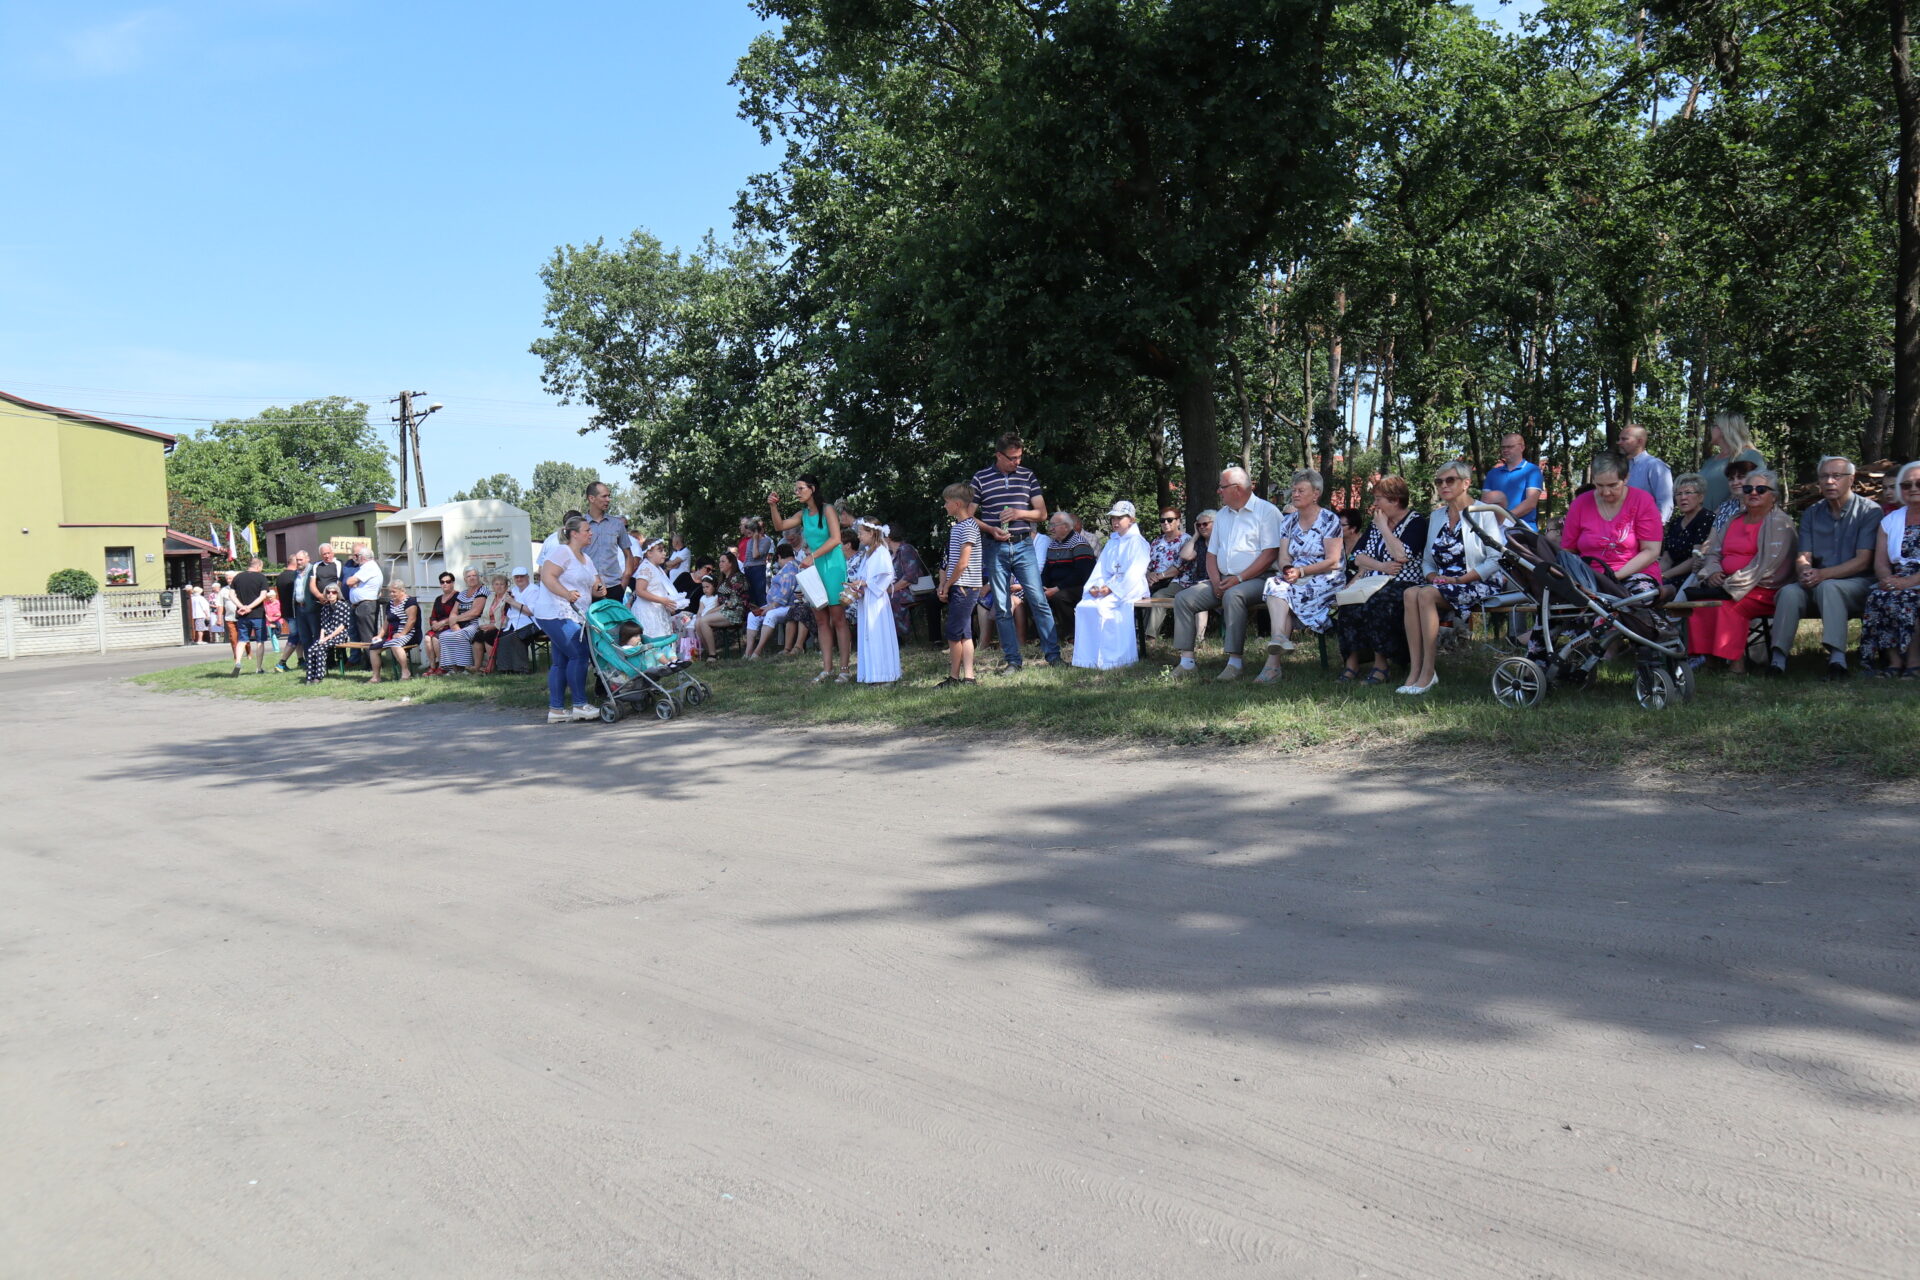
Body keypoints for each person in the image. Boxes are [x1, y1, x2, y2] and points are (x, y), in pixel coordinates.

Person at [1768, 455, 1882, 679]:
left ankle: (1837, 662)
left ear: (1851, 479)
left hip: (1858, 584)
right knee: (1789, 592)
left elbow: (1863, 560)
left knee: (1829, 587)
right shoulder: (1812, 513)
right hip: (1818, 582)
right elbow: (1803, 556)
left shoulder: (1870, 511)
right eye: (1824, 476)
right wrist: (1804, 571)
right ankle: (1777, 662)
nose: (1829, 481)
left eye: (1836, 476)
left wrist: (1822, 575)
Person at [1400, 460, 1505, 695]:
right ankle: (1415, 670)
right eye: (1439, 481)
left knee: (1425, 595)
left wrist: (1460, 580)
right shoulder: (1437, 516)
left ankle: (1428, 672)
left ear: (1466, 483)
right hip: (1444, 582)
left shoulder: (1483, 512)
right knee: (1409, 593)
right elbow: (1428, 560)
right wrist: (1433, 576)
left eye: (1450, 480)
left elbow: (1495, 558)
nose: (1443, 485)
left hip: (1477, 580)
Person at [1173, 467, 1283, 680]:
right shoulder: (1222, 515)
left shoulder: (1267, 512)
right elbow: (1211, 553)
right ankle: (1186, 662)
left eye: (1222, 487)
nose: (1219, 491)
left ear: (1237, 489)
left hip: (1260, 578)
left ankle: (1235, 663)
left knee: (1234, 595)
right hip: (1223, 579)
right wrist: (1216, 582)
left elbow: (1270, 554)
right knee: (1183, 599)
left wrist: (1239, 579)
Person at [1686, 468, 1796, 673]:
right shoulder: (1734, 519)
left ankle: (1736, 663)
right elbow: (1714, 552)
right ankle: (1710, 661)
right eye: (1748, 489)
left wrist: (1731, 583)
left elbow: (1767, 566)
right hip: (1728, 584)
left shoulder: (1780, 523)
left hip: (1763, 588)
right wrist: (1713, 572)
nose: (1753, 493)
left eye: (1761, 489)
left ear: (1773, 496)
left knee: (1728, 605)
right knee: (1702, 603)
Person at [970, 431, 1060, 672]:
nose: (1017, 462)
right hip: (994, 546)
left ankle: (1054, 656)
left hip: (1023, 545)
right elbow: (968, 515)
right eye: (1012, 458)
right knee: (1001, 605)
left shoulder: (1027, 475)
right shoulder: (980, 478)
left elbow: (1042, 513)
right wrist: (990, 529)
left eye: (1020, 457)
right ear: (998, 455)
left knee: (1038, 600)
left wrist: (1020, 513)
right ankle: (1013, 661)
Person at [1334, 475, 1427, 686]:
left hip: (1404, 583)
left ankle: (1381, 665)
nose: (1375, 504)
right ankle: (1352, 663)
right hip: (1373, 580)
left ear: (1395, 500)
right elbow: (1357, 557)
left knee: (1377, 601)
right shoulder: (1376, 523)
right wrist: (1381, 566)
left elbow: (1402, 555)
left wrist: (1384, 528)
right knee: (1348, 602)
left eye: (1378, 499)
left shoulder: (1416, 522)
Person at [1256, 469, 1346, 682]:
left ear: (1316, 494)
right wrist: (1288, 569)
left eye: (1300, 490)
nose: (1295, 494)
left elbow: (1333, 561)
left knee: (1285, 594)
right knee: (1274, 583)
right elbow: (1283, 557)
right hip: (1296, 576)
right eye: (1294, 490)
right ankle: (1280, 638)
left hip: (1326, 577)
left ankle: (1272, 666)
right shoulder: (1288, 522)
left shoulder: (1329, 520)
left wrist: (1302, 572)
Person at [769, 474, 851, 684]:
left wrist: (812, 556)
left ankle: (844, 669)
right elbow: (779, 526)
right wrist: (773, 506)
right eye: (796, 489)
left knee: (838, 618)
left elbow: (836, 539)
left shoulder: (828, 509)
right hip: (814, 569)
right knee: (821, 619)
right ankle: (827, 669)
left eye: (800, 488)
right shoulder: (803, 514)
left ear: (812, 489)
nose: (797, 492)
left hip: (832, 566)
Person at [1561, 451, 1665, 597]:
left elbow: (1651, 551)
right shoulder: (1579, 504)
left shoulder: (1643, 501)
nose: (1606, 492)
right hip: (1589, 579)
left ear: (1626, 478)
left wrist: (1614, 577)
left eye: (1613, 485)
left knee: (1637, 598)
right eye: (1599, 485)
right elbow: (1568, 551)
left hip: (1635, 574)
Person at [532, 514, 601, 723]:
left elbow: (595, 585)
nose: (591, 533)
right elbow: (547, 576)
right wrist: (567, 594)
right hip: (556, 612)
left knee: (561, 660)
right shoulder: (562, 552)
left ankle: (557, 710)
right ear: (574, 534)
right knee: (579, 654)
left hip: (576, 614)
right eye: (587, 530)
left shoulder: (587, 559)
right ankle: (580, 704)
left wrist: (600, 588)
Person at [1072, 501, 1150, 669]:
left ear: (1131, 519)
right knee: (1085, 606)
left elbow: (1135, 572)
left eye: (1120, 518)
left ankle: (1113, 659)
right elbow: (1101, 568)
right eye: (1113, 518)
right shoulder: (1112, 542)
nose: (1115, 521)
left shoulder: (1138, 542)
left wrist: (1113, 589)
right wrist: (1095, 586)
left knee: (1104, 607)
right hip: (1109, 585)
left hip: (1130, 587)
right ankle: (1088, 658)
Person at [1861, 460, 1920, 677]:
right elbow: (1881, 562)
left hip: (1915, 579)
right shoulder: (1890, 520)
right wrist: (1888, 580)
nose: (1913, 489)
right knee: (1879, 596)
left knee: (1908, 598)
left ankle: (1914, 662)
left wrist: (1909, 582)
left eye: (1919, 484)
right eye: (1906, 485)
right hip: (1899, 577)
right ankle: (1894, 662)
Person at [936, 482, 983, 687]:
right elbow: (950, 560)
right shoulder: (958, 527)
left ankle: (954, 677)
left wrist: (947, 585)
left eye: (946, 502)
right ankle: (969, 677)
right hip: (960, 585)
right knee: (964, 633)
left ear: (956, 504)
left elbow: (963, 563)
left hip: (965, 586)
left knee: (954, 633)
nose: (944, 506)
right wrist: (944, 583)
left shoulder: (969, 527)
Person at [851, 520, 900, 683]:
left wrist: (866, 584)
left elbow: (886, 576)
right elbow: (864, 576)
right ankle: (871, 673)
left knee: (878, 635)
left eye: (861, 533)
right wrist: (859, 587)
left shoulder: (881, 552)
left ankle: (883, 674)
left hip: (876, 601)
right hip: (867, 599)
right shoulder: (868, 553)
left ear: (871, 533)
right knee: (868, 636)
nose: (858, 537)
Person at [1658, 474, 1714, 602]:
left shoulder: (1706, 518)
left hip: (1692, 576)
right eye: (1678, 494)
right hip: (1670, 575)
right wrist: (1655, 575)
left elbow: (1695, 558)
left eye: (1688, 493)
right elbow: (1666, 559)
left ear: (1700, 497)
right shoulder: (1675, 523)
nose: (1683, 497)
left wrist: (1664, 575)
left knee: (1658, 593)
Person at [1038, 512, 1095, 634]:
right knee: (1033, 596)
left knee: (1060, 597)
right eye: (1050, 525)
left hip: (1078, 586)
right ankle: (1042, 635)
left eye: (1054, 525)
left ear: (1065, 526)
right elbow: (1046, 571)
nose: (1050, 529)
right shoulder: (1053, 544)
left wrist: (1056, 589)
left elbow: (1081, 574)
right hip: (1056, 587)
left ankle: (1072, 634)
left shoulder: (1079, 544)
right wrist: (1041, 587)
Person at [1698, 411, 1767, 512]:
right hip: (1704, 520)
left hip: (1732, 518)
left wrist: (1720, 513)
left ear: (1724, 429)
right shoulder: (1710, 461)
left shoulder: (1749, 455)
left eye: (1714, 426)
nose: (1711, 429)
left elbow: (1759, 490)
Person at [583, 481, 637, 602]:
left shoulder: (617, 524)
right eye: (604, 496)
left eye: (609, 496)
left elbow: (628, 554)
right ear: (591, 498)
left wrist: (625, 581)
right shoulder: (580, 525)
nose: (608, 499)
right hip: (586, 587)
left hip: (614, 587)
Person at [744, 542, 799, 658]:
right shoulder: (790, 567)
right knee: (752, 615)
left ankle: (757, 651)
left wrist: (771, 606)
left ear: (779, 556)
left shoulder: (790, 568)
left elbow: (785, 593)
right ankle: (748, 651)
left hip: (786, 606)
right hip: (777, 605)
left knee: (770, 615)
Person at [1482, 431, 1546, 530]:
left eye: (1510, 447)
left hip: (1523, 529)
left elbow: (1531, 503)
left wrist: (1505, 519)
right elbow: (1485, 502)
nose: (1505, 450)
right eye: (1503, 447)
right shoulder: (1493, 473)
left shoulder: (1532, 471)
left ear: (1522, 447)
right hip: (1494, 528)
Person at [1142, 506, 1188, 640]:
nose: (1166, 523)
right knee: (1140, 594)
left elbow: (1180, 566)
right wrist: (1149, 574)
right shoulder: (1156, 542)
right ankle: (1137, 635)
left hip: (1178, 581)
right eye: (1162, 520)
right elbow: (1147, 564)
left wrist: (1160, 576)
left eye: (1170, 520)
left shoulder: (1186, 540)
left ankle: (1150, 637)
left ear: (1178, 521)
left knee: (1159, 596)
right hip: (1156, 580)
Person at [696, 552, 749, 664]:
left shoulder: (738, 577)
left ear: (731, 563)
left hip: (735, 612)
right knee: (698, 622)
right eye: (719, 561)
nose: (720, 564)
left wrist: (711, 611)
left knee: (704, 621)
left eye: (723, 561)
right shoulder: (724, 579)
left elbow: (732, 602)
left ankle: (713, 655)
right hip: (724, 610)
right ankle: (710, 651)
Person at [633, 538, 690, 640]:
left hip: (658, 610)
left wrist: (668, 602)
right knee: (652, 640)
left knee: (662, 640)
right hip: (648, 612)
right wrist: (662, 600)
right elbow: (640, 590)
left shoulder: (658, 569)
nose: (664, 553)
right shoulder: (646, 567)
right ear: (649, 553)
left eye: (664, 550)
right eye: (660, 551)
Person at [1616, 423, 1674, 520]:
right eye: (1619, 439)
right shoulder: (1620, 466)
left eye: (1624, 439)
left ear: (1639, 442)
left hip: (1645, 527)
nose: (1619, 442)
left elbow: (1665, 503)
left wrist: (1654, 526)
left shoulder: (1655, 466)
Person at [367, 580, 421, 682]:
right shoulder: (391, 603)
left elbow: (412, 620)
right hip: (392, 635)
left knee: (395, 644)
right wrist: (380, 635)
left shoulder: (410, 602)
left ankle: (405, 672)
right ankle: (376, 677)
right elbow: (387, 621)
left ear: (402, 590)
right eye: (390, 592)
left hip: (410, 633)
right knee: (373, 648)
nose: (391, 594)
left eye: (394, 592)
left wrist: (402, 633)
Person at [302, 583, 354, 684]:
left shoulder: (344, 606)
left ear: (337, 594)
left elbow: (343, 626)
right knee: (311, 649)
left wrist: (327, 638)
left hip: (339, 635)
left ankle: (319, 676)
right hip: (327, 636)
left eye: (333, 592)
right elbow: (323, 625)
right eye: (328, 592)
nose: (330, 594)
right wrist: (322, 637)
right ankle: (310, 676)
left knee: (320, 649)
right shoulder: (325, 607)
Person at [228, 556, 272, 676]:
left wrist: (242, 606)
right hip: (258, 615)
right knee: (260, 641)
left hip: (242, 615)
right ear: (258, 566)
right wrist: (250, 607)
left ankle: (238, 662)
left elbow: (231, 595)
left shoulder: (238, 577)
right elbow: (263, 596)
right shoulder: (261, 577)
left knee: (242, 640)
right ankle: (259, 668)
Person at [343, 547, 384, 660]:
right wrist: (356, 583)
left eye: (357, 556)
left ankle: (372, 663)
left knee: (367, 636)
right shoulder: (368, 567)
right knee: (365, 635)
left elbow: (349, 581)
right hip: (363, 605)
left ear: (363, 557)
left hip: (366, 605)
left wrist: (355, 582)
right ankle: (369, 661)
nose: (355, 558)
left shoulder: (369, 566)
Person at [272, 550, 309, 672]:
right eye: (298, 561)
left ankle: (301, 660)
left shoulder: (280, 576)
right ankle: (281, 663)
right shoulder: (294, 576)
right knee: (295, 636)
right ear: (295, 562)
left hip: (285, 611)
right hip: (294, 611)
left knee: (298, 636)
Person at [887, 529, 926, 642]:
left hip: (913, 590)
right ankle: (886, 636)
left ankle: (900, 636)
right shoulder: (890, 554)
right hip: (899, 589)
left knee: (891, 598)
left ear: (888, 538)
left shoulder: (905, 549)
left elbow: (910, 577)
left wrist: (891, 590)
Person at [473, 573, 514, 670]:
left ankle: (491, 666)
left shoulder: (509, 598)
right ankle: (477, 666)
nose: (499, 587)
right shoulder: (490, 597)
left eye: (501, 584)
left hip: (502, 626)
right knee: (477, 637)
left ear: (506, 586)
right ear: (493, 586)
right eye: (496, 584)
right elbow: (484, 614)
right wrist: (483, 625)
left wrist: (494, 626)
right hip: (488, 626)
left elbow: (508, 617)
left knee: (489, 636)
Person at [1708, 459, 1761, 534]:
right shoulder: (1724, 507)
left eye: (1741, 477)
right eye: (1731, 479)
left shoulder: (1762, 507)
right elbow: (1711, 535)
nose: (1735, 483)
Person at [737, 517, 776, 607]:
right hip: (748, 569)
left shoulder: (766, 541)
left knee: (759, 595)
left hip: (758, 569)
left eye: (750, 533)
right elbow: (747, 558)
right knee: (751, 596)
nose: (748, 535)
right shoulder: (749, 541)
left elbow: (755, 555)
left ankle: (763, 611)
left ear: (756, 531)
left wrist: (755, 540)